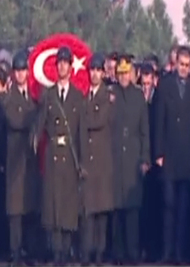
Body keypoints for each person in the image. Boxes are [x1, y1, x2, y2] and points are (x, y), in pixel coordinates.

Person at [32, 46, 87, 266]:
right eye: (59, 63)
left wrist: (82, 162)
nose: (62, 66)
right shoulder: (49, 95)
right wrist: (34, 138)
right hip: (54, 155)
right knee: (53, 205)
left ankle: (66, 250)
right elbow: (41, 122)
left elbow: (81, 131)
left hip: (70, 157)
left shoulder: (77, 97)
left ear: (71, 67)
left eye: (66, 63)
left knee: (68, 206)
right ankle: (56, 252)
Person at [153, 45, 190, 264]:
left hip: (187, 157)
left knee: (183, 208)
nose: (183, 68)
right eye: (180, 64)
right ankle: (166, 251)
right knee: (168, 205)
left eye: (186, 65)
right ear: (175, 64)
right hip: (169, 156)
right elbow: (158, 120)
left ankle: (181, 253)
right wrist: (159, 151)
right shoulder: (164, 85)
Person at [0, 52, 40, 265]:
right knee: (15, 210)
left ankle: (29, 251)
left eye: (24, 70)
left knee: (30, 208)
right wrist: (35, 116)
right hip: (15, 160)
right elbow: (16, 120)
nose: (21, 74)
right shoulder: (8, 97)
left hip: (30, 160)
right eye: (18, 71)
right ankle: (15, 252)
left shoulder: (33, 95)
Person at [109, 54, 150, 265]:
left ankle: (132, 253)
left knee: (132, 211)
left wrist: (145, 158)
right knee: (116, 211)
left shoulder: (138, 96)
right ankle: (117, 253)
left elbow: (145, 131)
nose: (124, 77)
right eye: (120, 73)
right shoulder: (111, 94)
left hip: (133, 158)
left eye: (126, 73)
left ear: (132, 74)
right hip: (115, 159)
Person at [82, 55, 114, 265]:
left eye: (97, 70)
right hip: (88, 160)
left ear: (103, 73)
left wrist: (81, 117)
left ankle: (100, 252)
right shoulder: (86, 96)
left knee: (101, 211)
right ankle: (88, 251)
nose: (94, 74)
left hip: (102, 161)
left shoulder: (106, 97)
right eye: (91, 70)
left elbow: (97, 121)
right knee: (88, 210)